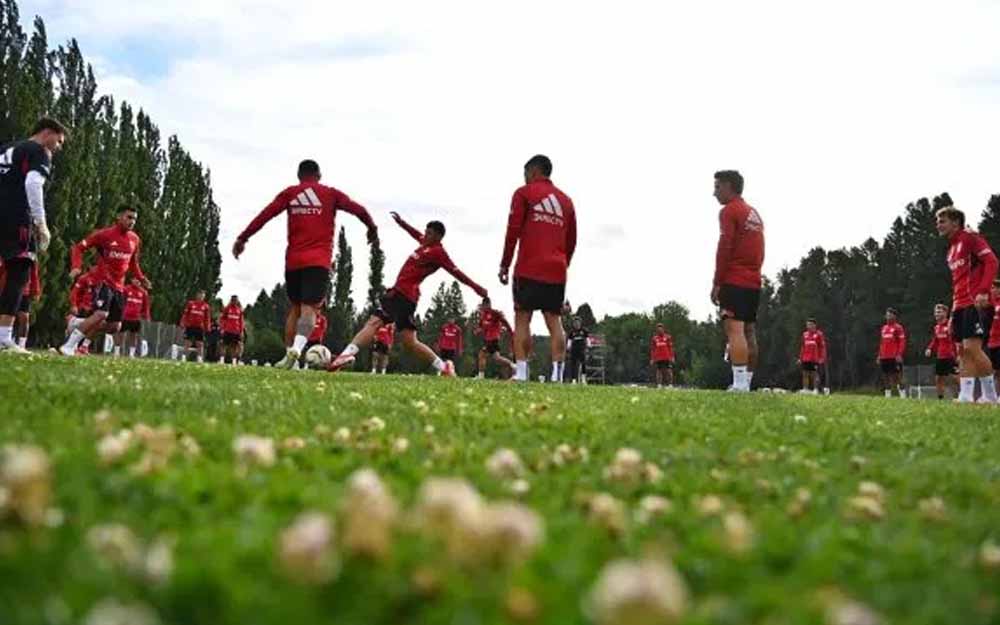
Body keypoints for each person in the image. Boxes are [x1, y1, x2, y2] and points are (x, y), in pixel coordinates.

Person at [233, 159, 378, 369]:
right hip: (318, 262)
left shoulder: (290, 194)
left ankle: (288, 357)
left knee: (295, 309)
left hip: (293, 262)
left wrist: (243, 238)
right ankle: (297, 349)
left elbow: (265, 215)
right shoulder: (330, 194)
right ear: (319, 175)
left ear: (299, 176)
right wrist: (372, 228)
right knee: (310, 310)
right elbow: (359, 210)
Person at [328, 212, 488, 375]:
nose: (425, 235)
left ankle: (346, 354)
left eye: (429, 233)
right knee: (410, 342)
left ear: (438, 237)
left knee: (374, 323)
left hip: (403, 295)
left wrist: (476, 288)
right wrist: (402, 223)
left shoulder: (438, 253)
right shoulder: (425, 243)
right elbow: (415, 233)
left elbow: (456, 272)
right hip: (403, 295)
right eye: (425, 232)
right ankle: (444, 367)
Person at [499, 154, 577, 383]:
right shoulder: (566, 201)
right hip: (556, 269)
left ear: (533, 172)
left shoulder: (523, 193)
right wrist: (563, 265)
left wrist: (505, 264)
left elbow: (513, 230)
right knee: (554, 320)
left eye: (525, 174)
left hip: (529, 266)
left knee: (522, 317)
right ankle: (557, 374)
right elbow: (572, 240)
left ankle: (522, 373)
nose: (524, 179)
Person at [0, 118, 65, 353]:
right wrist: (40, 222)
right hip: (16, 218)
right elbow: (33, 184)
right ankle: (4, 336)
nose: (58, 148)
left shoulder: (6, 148)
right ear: (47, 133)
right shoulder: (39, 151)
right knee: (19, 272)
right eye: (59, 141)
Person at [61, 206, 151, 355]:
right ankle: (69, 346)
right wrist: (76, 266)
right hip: (102, 282)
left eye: (134, 219)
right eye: (129, 217)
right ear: (119, 217)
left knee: (114, 326)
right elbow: (78, 248)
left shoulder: (134, 239)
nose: (132, 221)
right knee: (101, 314)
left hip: (119, 286)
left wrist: (142, 278)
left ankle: (76, 323)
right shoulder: (104, 235)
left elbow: (133, 263)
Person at [935, 205, 999, 403]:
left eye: (942, 221)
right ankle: (966, 395)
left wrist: (983, 291)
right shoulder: (951, 250)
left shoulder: (970, 237)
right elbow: (958, 281)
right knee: (962, 351)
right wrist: (952, 311)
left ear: (956, 222)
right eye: (937, 221)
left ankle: (991, 396)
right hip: (959, 305)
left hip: (974, 302)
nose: (938, 225)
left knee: (972, 348)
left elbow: (992, 262)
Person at [710, 170, 764, 392]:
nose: (714, 193)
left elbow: (725, 246)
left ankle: (740, 384)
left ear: (729, 186)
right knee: (749, 332)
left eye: (717, 187)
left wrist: (717, 282)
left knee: (735, 330)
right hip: (754, 280)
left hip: (735, 279)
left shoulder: (729, 211)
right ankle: (747, 383)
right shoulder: (753, 213)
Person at [0, 260, 40, 349]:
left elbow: (34, 274)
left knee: (24, 318)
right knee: (7, 314)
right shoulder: (9, 256)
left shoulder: (30, 258)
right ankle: (4, 339)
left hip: (25, 291)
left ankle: (22, 344)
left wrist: (36, 290)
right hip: (8, 287)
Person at [474, 297, 514, 379]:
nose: (484, 307)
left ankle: (481, 376)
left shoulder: (494, 313)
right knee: (495, 357)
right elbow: (481, 326)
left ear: (489, 304)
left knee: (483, 355)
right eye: (483, 305)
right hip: (487, 339)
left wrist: (510, 331)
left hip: (493, 338)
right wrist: (478, 330)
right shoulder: (483, 315)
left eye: (486, 305)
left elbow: (504, 321)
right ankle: (512, 365)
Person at [925, 303, 958, 400]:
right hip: (940, 356)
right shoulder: (936, 327)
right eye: (935, 312)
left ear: (945, 313)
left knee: (955, 378)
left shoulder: (950, 325)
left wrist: (956, 353)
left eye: (939, 312)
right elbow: (935, 340)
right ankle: (940, 399)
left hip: (951, 356)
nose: (936, 314)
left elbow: (956, 339)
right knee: (938, 378)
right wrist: (929, 348)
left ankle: (959, 397)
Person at [66, 268, 99, 354]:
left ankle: (84, 347)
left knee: (95, 326)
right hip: (83, 308)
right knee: (81, 326)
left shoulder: (103, 279)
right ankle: (72, 345)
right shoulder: (84, 278)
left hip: (95, 308)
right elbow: (74, 293)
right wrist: (74, 305)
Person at [877, 308, 907, 398]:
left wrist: (899, 354)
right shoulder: (884, 328)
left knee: (898, 377)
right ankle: (888, 396)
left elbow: (902, 342)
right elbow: (882, 343)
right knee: (885, 377)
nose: (888, 317)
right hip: (884, 356)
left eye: (890, 315)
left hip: (894, 357)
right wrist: (879, 355)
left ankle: (903, 396)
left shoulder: (898, 327)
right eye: (887, 315)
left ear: (894, 316)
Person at [118, 279, 151, 357]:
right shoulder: (126, 289)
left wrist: (147, 316)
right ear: (132, 280)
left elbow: (146, 306)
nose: (136, 281)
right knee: (121, 334)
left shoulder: (143, 292)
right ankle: (117, 351)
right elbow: (121, 301)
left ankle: (131, 354)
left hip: (136, 318)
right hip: (125, 317)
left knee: (134, 335)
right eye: (135, 279)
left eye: (138, 280)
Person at [179, 290, 211, 362]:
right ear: (197, 295)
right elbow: (185, 314)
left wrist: (207, 327)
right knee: (187, 342)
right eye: (200, 295)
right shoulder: (191, 303)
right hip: (190, 326)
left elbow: (207, 318)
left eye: (203, 296)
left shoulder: (206, 306)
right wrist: (182, 322)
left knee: (200, 343)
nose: (201, 297)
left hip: (200, 327)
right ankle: (183, 357)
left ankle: (199, 358)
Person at [797, 318, 827, 394]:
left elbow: (822, 347)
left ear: (814, 325)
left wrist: (822, 357)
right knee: (805, 373)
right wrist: (800, 358)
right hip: (805, 358)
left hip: (815, 358)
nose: (808, 326)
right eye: (807, 325)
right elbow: (803, 347)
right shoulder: (805, 334)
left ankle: (816, 389)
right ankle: (805, 389)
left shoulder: (819, 334)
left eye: (810, 324)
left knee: (814, 374)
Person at [219, 295, 245, 365]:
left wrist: (241, 331)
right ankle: (222, 360)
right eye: (233, 300)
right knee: (223, 345)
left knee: (235, 346)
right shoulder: (227, 309)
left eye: (236, 300)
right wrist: (222, 328)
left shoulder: (239, 310)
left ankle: (234, 361)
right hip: (227, 330)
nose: (234, 301)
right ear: (231, 300)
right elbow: (222, 319)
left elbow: (241, 321)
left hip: (236, 331)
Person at [649, 323, 676, 388]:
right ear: (657, 330)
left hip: (667, 357)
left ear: (663, 329)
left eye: (661, 328)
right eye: (658, 328)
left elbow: (671, 347)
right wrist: (652, 358)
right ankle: (659, 385)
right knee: (659, 371)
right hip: (658, 357)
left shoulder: (668, 337)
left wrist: (672, 356)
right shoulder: (654, 338)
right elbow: (652, 349)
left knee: (669, 370)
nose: (659, 329)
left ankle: (670, 385)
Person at [565, 316, 589, 383]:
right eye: (575, 322)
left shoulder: (584, 330)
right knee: (573, 365)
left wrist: (588, 346)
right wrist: (568, 348)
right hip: (574, 350)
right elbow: (569, 341)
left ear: (580, 323)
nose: (576, 324)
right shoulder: (572, 332)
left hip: (582, 349)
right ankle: (573, 380)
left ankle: (583, 379)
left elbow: (587, 338)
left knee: (583, 364)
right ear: (573, 324)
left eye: (578, 322)